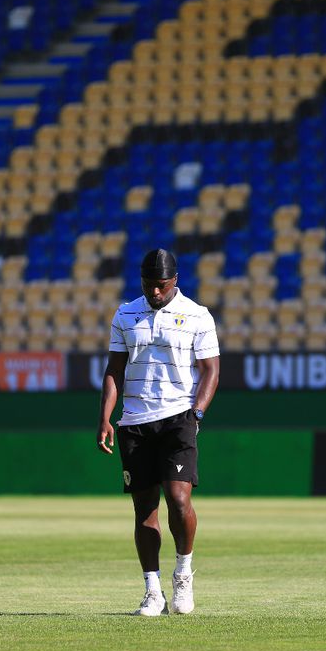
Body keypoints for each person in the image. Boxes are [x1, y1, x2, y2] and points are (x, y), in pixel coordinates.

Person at [96, 249, 220, 616]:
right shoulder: (125, 313)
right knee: (144, 510)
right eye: (149, 286)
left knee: (179, 501)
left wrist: (197, 412)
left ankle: (183, 575)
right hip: (135, 421)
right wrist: (105, 417)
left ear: (175, 281)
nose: (154, 293)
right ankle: (153, 592)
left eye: (161, 286)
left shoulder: (198, 315)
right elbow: (114, 370)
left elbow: (211, 370)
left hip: (179, 416)